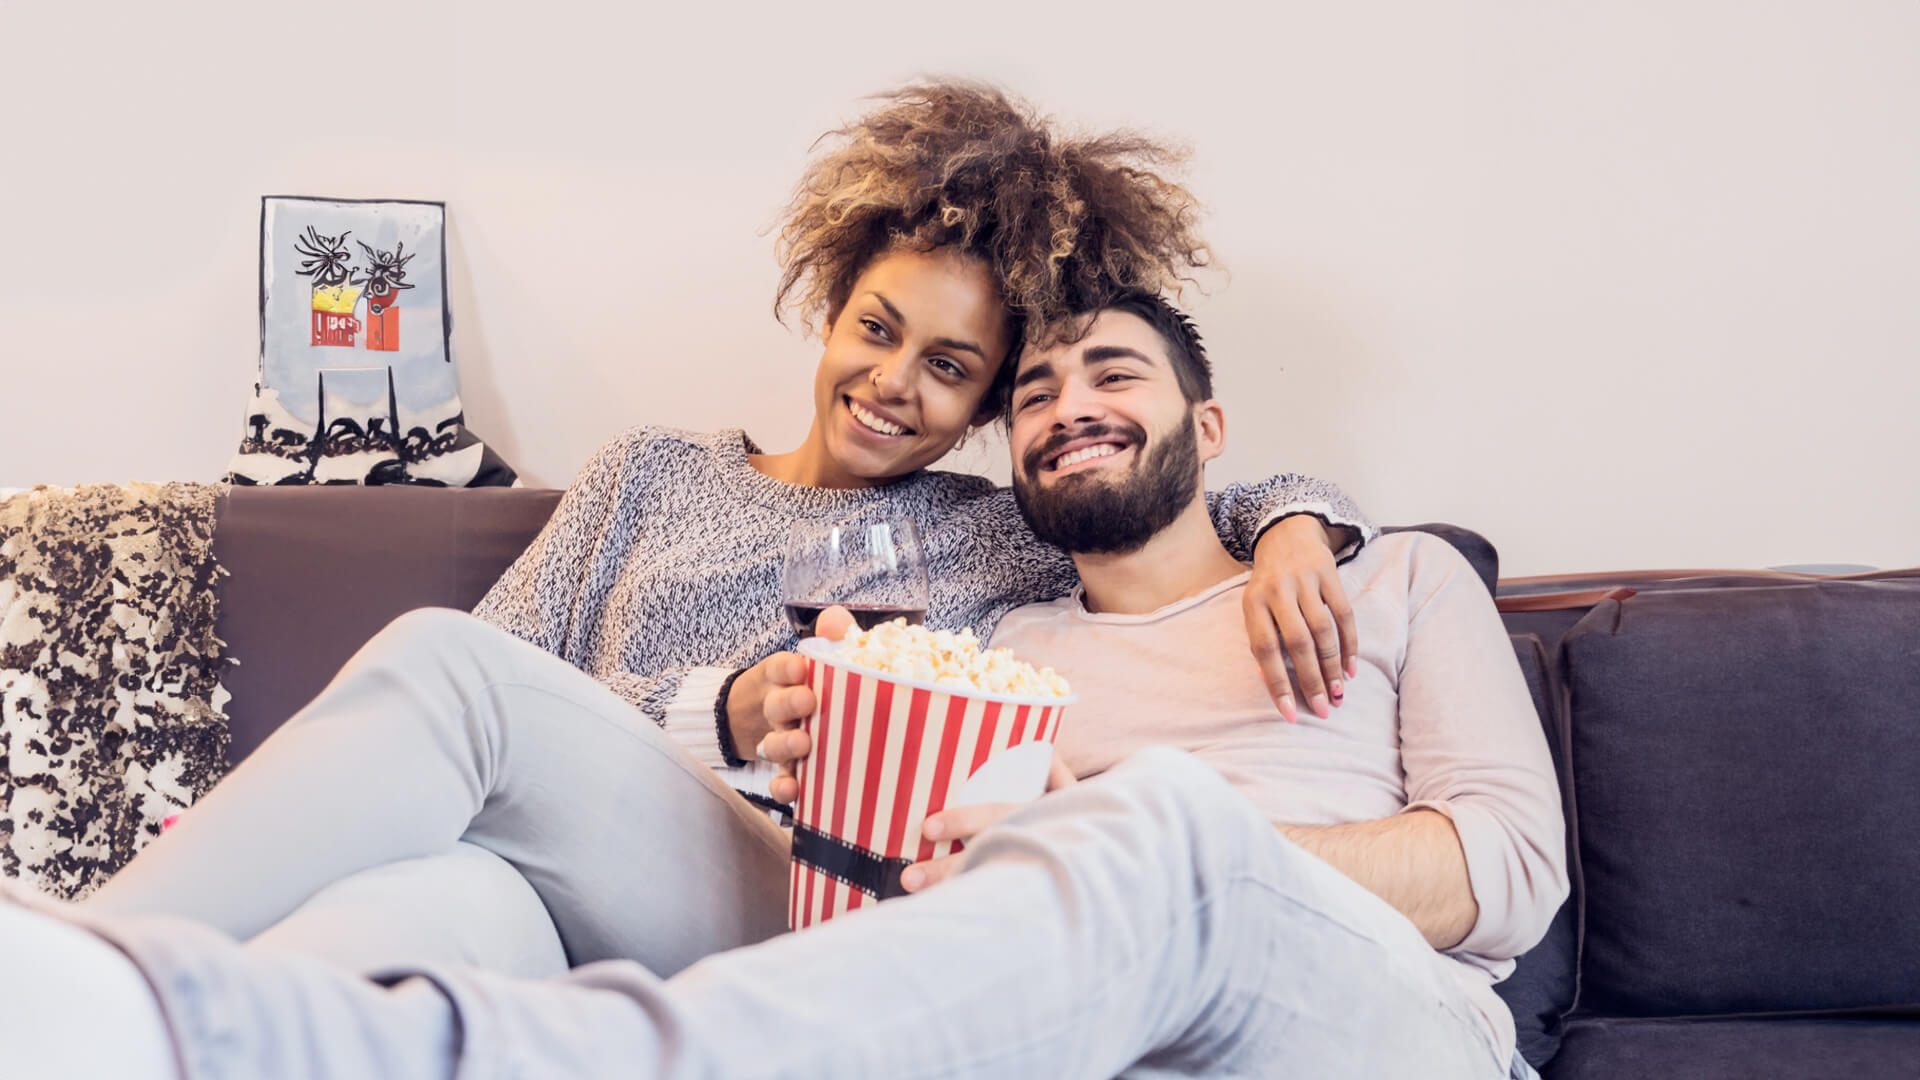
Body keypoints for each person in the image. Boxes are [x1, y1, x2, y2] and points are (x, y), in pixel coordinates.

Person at [0, 291, 1562, 1079]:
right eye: (1032, 396)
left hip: (1370, 1013)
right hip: (1059, 1002)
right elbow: (899, 883)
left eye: (1114, 380)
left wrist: (1151, 824)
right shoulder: (1009, 630)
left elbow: (1505, 877)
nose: (1067, 411)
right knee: (452, 735)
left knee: (1149, 833)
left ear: (1209, 433)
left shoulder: (1390, 578)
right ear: (1001, 462)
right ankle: (90, 1004)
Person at [79, 83, 1375, 980]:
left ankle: (66, 951)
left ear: (985, 403)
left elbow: (1159, 491)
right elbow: (496, 690)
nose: (893, 383)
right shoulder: (646, 476)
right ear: (830, 308)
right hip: (557, 879)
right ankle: (86, 1021)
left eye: (949, 366)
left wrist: (1299, 524)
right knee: (405, 916)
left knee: (434, 663)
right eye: (878, 330)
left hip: (802, 898)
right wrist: (725, 706)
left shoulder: (999, 537)